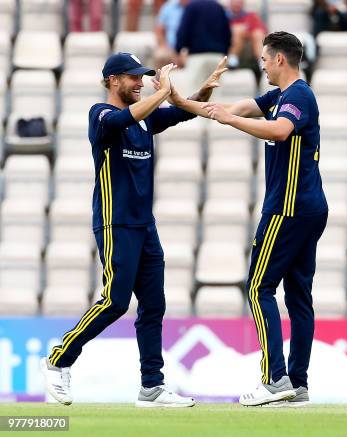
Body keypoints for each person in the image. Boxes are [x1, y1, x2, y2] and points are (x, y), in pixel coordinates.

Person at [39, 53, 228, 408]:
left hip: (144, 225)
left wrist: (200, 91)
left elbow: (183, 111)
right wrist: (164, 90)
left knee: (154, 304)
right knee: (114, 301)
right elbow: (129, 115)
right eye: (133, 78)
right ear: (113, 80)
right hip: (116, 222)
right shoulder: (101, 115)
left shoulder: (144, 120)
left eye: (142, 78)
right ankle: (57, 360)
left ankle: (152, 387)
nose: (140, 83)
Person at [175, 31, 328, 406]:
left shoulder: (297, 96)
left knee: (259, 286)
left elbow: (279, 130)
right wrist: (180, 100)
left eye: (263, 58)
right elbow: (233, 109)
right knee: (298, 296)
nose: (260, 64)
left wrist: (229, 120)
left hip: (288, 208)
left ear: (279, 59)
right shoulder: (278, 96)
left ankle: (275, 379)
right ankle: (298, 382)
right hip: (308, 207)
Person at [175, 0, 231, 88]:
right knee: (215, 94)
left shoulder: (192, 6)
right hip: (217, 57)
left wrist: (178, 49)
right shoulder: (219, 7)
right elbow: (227, 34)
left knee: (194, 94)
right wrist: (225, 53)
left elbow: (183, 30)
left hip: (197, 56)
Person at [226, 0, 267, 68]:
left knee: (258, 33)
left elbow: (261, 28)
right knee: (237, 30)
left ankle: (262, 61)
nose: (237, 4)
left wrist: (246, 30)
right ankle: (232, 60)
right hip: (231, 41)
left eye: (239, 2)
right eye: (235, 2)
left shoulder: (250, 16)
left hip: (251, 43)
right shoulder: (224, 16)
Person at [154, 0, 188, 69]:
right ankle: (160, 79)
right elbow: (159, 30)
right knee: (161, 56)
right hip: (169, 47)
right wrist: (165, 47)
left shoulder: (197, 7)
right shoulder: (168, 6)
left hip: (189, 49)